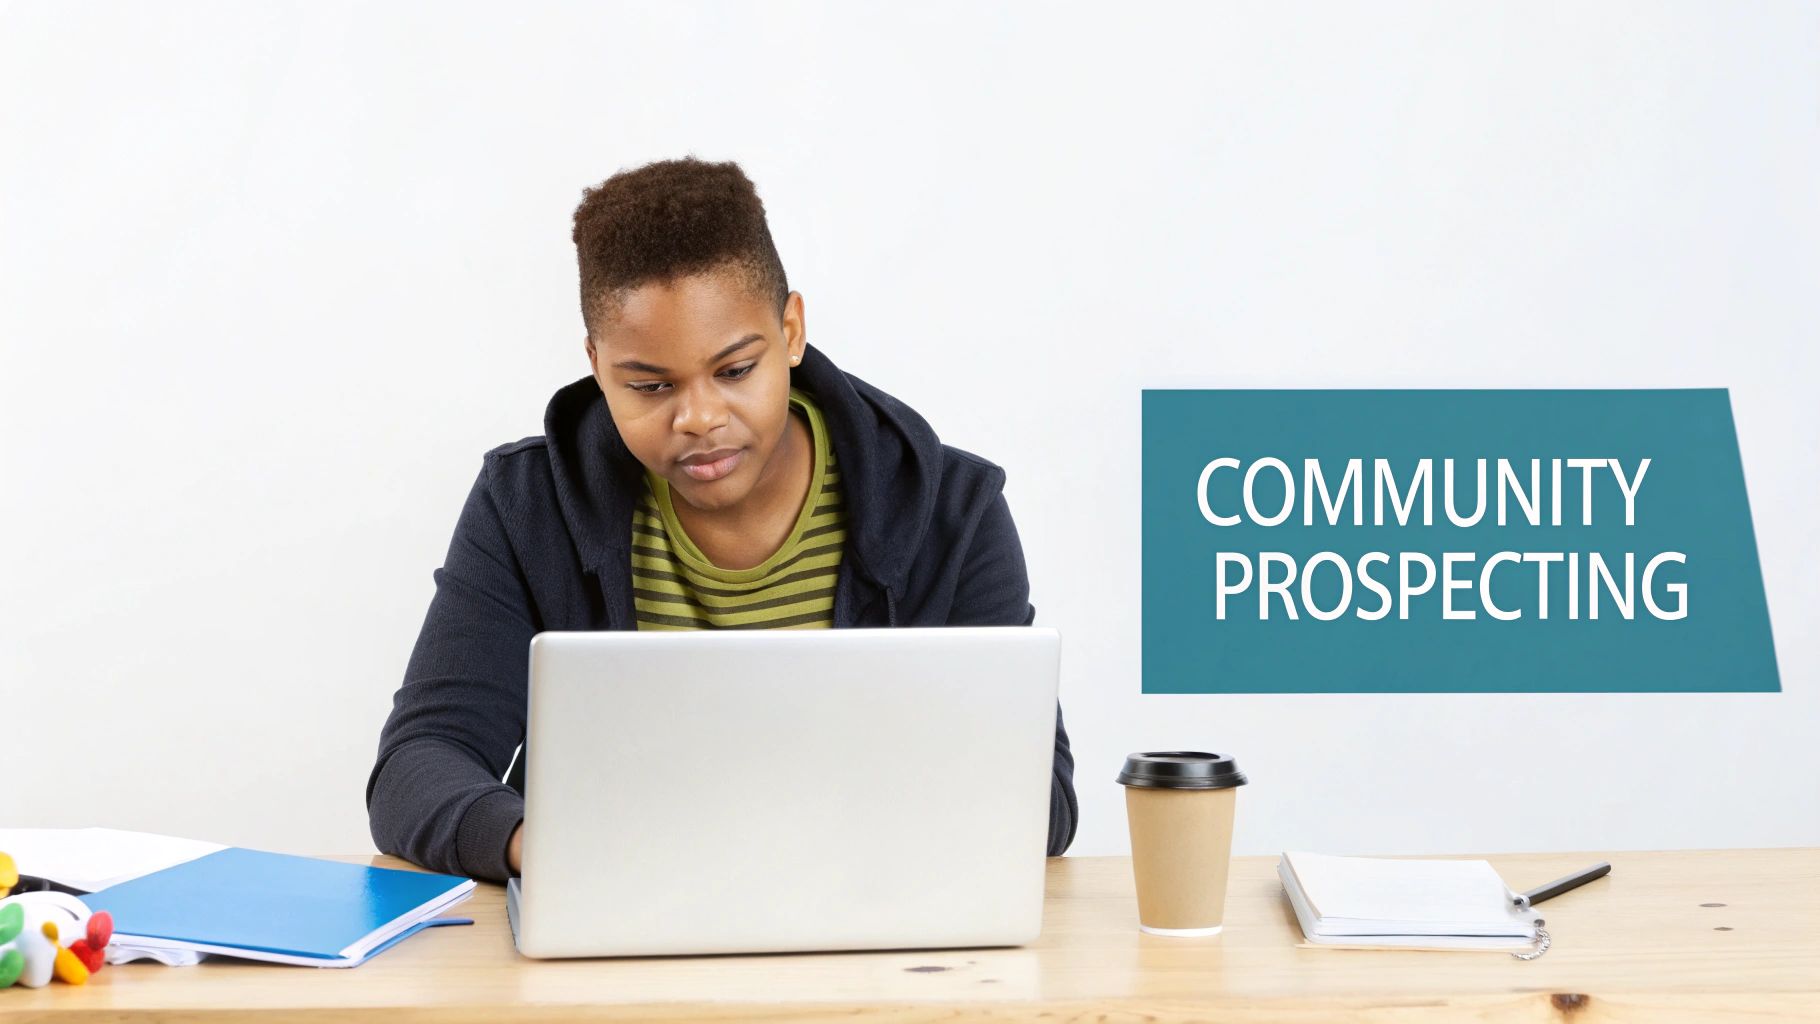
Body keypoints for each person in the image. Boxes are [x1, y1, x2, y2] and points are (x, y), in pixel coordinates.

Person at [366, 157, 1078, 882]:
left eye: (735, 371)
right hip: (622, 913)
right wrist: (548, 851)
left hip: (875, 912)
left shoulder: (950, 509)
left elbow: (1041, 803)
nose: (699, 418)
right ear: (598, 366)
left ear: (791, 331)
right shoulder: (528, 507)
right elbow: (418, 763)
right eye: (650, 386)